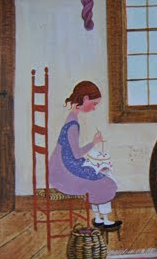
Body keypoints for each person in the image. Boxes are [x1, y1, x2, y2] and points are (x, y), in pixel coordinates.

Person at [49, 80, 122, 230]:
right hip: (63, 173)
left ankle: (98, 218)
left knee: (98, 174)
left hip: (61, 166)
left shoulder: (71, 117)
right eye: (94, 104)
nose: (94, 108)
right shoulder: (73, 125)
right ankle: (105, 220)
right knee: (105, 181)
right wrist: (94, 143)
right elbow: (76, 154)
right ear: (85, 98)